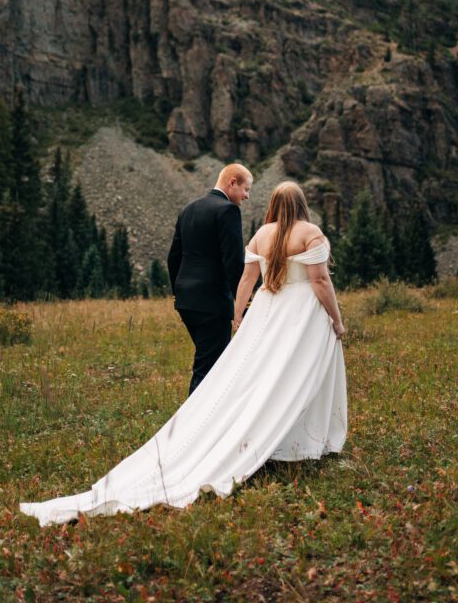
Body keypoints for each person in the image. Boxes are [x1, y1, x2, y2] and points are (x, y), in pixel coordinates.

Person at [20, 180, 347, 525]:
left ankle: (272, 441)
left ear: (274, 203)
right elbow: (320, 282)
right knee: (302, 376)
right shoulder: (310, 232)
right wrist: (337, 322)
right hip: (301, 314)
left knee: (258, 378)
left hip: (267, 311)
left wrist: (239, 316)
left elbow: (247, 281)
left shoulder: (262, 235)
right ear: (300, 204)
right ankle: (304, 443)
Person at [166, 163, 252, 395]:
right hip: (212, 303)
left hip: (187, 302)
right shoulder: (228, 211)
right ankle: (191, 427)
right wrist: (244, 305)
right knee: (209, 371)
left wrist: (179, 291)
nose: (246, 196)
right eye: (246, 189)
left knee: (209, 363)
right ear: (232, 182)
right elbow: (233, 263)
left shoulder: (188, 209)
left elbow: (173, 257)